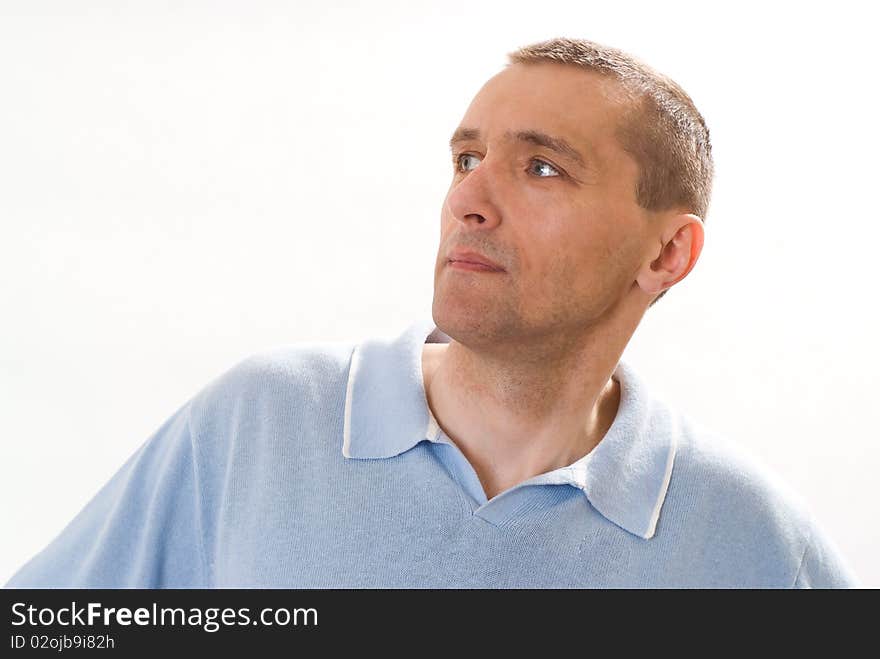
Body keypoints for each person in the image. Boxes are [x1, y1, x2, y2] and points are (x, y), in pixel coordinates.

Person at [6, 37, 859, 589]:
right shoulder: (259, 425)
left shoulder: (751, 541)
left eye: (543, 169)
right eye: (465, 158)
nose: (469, 201)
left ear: (667, 255)